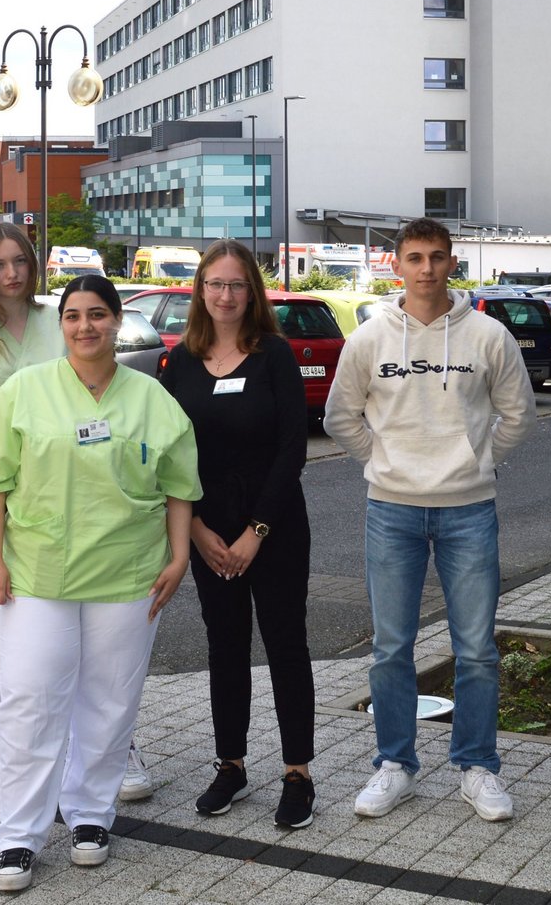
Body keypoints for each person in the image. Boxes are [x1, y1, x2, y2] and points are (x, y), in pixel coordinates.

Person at [0, 275, 201, 892]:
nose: (85, 326)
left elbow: (179, 485)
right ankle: (18, 836)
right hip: (39, 573)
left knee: (110, 700)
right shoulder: (25, 389)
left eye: (97, 314)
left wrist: (179, 557)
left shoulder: (151, 398)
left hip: (129, 573)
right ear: (61, 324)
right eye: (72, 315)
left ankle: (91, 815)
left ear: (117, 321)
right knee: (31, 703)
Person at [0, 224, 155, 801]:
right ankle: (23, 746)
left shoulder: (60, 319)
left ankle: (107, 747)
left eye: (21, 261)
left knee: (80, 633)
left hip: (68, 500)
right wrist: (8, 474)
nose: (12, 274)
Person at [324, 218, 535, 822]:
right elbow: (341, 417)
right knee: (391, 647)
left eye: (437, 257)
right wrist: (383, 462)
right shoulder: (370, 340)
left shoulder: (488, 336)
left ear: (451, 263)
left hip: (469, 509)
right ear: (396, 265)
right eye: (414, 258)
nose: (426, 268)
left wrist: (478, 461)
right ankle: (395, 765)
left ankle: (478, 767)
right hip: (391, 510)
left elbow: (519, 414)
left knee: (476, 649)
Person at [160, 239, 316, 828]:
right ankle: (231, 764)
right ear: (200, 290)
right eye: (215, 284)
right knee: (224, 647)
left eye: (236, 285)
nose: (225, 295)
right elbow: (169, 455)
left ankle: (298, 772)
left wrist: (257, 531)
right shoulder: (179, 362)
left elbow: (293, 448)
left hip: (274, 526)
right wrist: (196, 530)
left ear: (253, 292)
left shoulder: (274, 355)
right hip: (209, 532)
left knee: (285, 645)